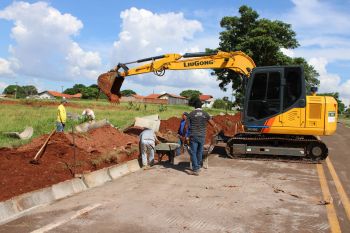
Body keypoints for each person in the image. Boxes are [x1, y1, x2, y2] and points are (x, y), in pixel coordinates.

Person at [187, 99, 218, 176]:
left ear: (194, 106)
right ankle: (198, 165)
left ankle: (196, 169)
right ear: (201, 106)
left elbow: (186, 126)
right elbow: (213, 124)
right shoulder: (205, 114)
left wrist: (186, 135)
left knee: (193, 152)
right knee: (200, 151)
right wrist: (216, 130)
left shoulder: (191, 114)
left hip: (194, 135)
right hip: (202, 136)